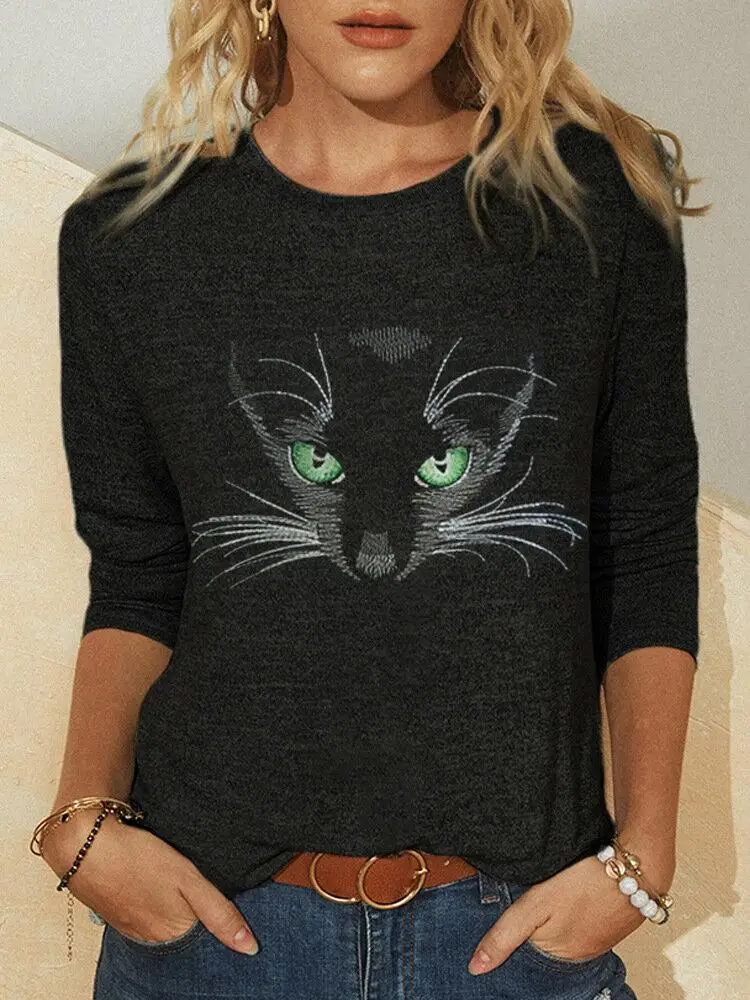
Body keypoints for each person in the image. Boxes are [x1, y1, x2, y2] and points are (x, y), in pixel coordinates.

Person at [32, 1, 709, 997]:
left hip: (510, 934)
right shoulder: (132, 234)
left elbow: (641, 545)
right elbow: (139, 570)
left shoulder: (592, 199)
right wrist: (81, 820)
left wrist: (643, 857)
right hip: (211, 935)